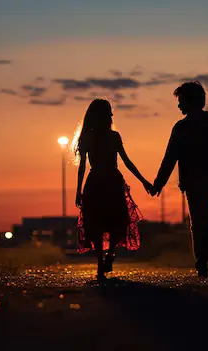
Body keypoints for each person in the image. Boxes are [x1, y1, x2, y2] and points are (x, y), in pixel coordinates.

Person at [150, 81, 208, 277]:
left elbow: (170, 157)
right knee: (205, 220)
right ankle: (202, 259)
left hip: (197, 180)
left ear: (190, 102)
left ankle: (201, 259)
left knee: (199, 221)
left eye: (181, 101)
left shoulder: (184, 128)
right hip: (206, 180)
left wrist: (159, 183)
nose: (179, 106)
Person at [74, 99, 153, 281]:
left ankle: (107, 258)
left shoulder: (110, 137)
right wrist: (78, 191)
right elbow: (82, 166)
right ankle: (104, 261)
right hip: (105, 182)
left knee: (112, 221)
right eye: (108, 113)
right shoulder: (99, 137)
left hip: (103, 182)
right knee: (102, 222)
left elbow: (126, 161)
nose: (111, 116)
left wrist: (143, 181)